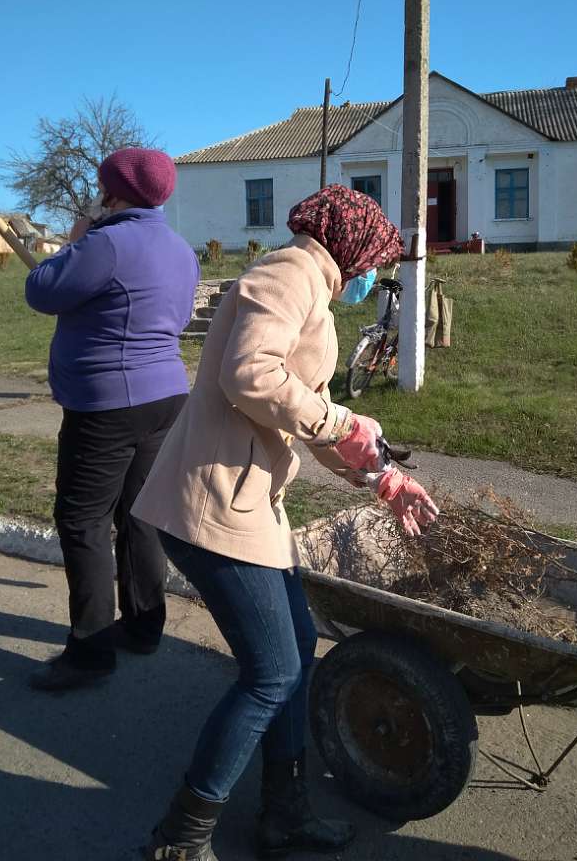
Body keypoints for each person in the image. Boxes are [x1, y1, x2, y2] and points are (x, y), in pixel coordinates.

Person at [129, 185, 438, 860]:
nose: (369, 277)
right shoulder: (288, 273)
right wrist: (342, 422)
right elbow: (251, 376)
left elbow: (309, 409)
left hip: (245, 500)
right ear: (350, 249)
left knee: (295, 653)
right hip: (212, 501)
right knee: (271, 672)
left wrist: (384, 475)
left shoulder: (310, 288)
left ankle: (284, 812)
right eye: (372, 262)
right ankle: (181, 838)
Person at [25, 147, 199, 691]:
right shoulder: (179, 248)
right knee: (140, 514)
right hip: (166, 395)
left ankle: (90, 652)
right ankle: (145, 627)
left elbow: (42, 291)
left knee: (82, 521)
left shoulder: (104, 243)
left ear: (112, 190)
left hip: (108, 404)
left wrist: (76, 241)